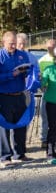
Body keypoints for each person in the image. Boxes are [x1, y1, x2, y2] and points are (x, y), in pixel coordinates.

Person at [0, 31, 32, 167]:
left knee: (21, 124)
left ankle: (20, 153)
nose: (13, 46)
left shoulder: (22, 54)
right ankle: (5, 156)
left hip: (20, 95)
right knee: (4, 126)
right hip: (4, 96)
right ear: (3, 43)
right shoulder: (0, 56)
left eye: (14, 43)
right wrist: (11, 74)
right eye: (10, 43)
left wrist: (28, 70)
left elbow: (30, 70)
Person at [38, 39, 56, 149]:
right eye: (49, 47)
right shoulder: (42, 61)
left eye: (54, 46)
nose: (52, 49)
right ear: (46, 48)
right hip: (47, 93)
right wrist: (43, 87)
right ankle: (44, 139)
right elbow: (39, 78)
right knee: (45, 117)